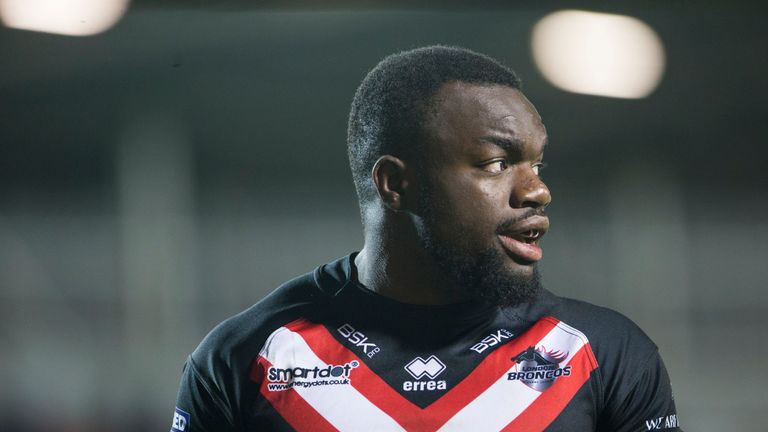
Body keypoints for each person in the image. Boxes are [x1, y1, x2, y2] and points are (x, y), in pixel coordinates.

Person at [171, 45, 682, 432]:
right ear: (396, 184)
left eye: (537, 163)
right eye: (497, 163)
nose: (537, 191)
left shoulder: (606, 354)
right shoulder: (246, 358)